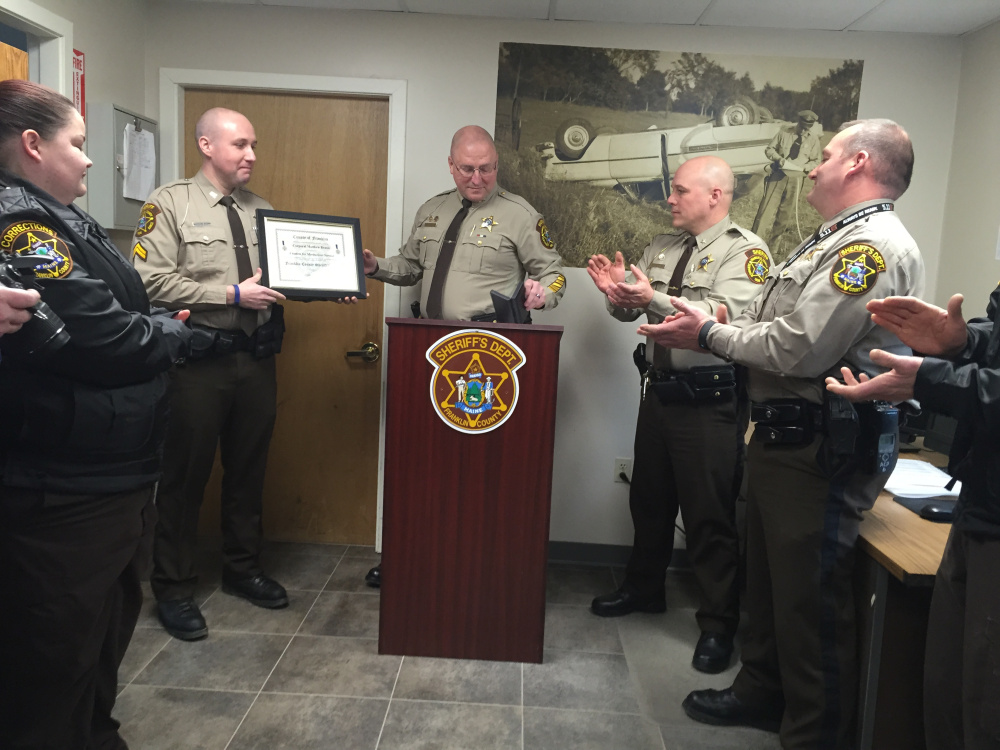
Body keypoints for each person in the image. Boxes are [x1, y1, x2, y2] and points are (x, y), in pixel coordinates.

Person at [636, 119, 924, 748]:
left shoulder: (869, 248)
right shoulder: (832, 238)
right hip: (780, 438)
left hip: (818, 447)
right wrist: (707, 316)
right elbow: (770, 317)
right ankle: (762, 692)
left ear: (858, 163)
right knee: (768, 587)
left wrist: (707, 334)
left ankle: (813, 733)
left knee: (807, 605)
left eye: (825, 156)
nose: (812, 167)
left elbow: (797, 348)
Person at [0, 79, 199, 749]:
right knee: (55, 662)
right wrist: (170, 334)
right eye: (78, 144)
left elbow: (113, 320)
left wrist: (148, 326)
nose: (90, 160)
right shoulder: (20, 223)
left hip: (109, 478)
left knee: (100, 640)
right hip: (65, 491)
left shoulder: (61, 216)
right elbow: (109, 340)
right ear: (32, 145)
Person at [586, 155, 772, 675]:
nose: (669, 197)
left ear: (716, 195)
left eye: (680, 190)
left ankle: (718, 624)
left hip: (710, 400)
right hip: (659, 391)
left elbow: (722, 315)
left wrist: (653, 297)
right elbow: (634, 310)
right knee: (649, 500)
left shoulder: (746, 252)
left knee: (708, 515)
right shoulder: (662, 246)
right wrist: (619, 297)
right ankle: (644, 589)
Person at [360, 124, 567, 588]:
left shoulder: (520, 215)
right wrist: (375, 268)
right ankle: (409, 556)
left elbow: (554, 274)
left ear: (497, 166)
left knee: (478, 472)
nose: (478, 178)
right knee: (419, 466)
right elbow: (410, 266)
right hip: (427, 356)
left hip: (487, 362)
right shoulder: (431, 210)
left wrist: (541, 293)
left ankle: (477, 564)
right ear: (451, 165)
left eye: (487, 168)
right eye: (468, 169)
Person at [131, 107, 289, 641]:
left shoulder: (261, 209)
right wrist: (229, 294)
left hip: (256, 359)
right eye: (240, 144)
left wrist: (325, 283)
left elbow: (287, 274)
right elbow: (146, 282)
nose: (251, 155)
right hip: (198, 362)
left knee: (248, 471)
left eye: (253, 145)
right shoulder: (169, 203)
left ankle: (243, 570)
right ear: (206, 144)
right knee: (183, 476)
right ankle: (173, 588)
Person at [826, 291, 1000, 750]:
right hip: (979, 504)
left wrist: (933, 379)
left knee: (987, 710)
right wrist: (965, 342)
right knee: (946, 694)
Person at [752, 110, 822, 238]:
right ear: (798, 122)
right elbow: (769, 149)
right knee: (765, 212)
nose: (802, 131)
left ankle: (774, 247)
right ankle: (754, 242)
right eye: (801, 127)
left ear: (811, 126)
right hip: (777, 176)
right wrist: (779, 159)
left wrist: (804, 167)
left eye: (806, 129)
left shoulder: (813, 140)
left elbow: (816, 161)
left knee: (785, 215)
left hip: (796, 180)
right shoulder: (784, 132)